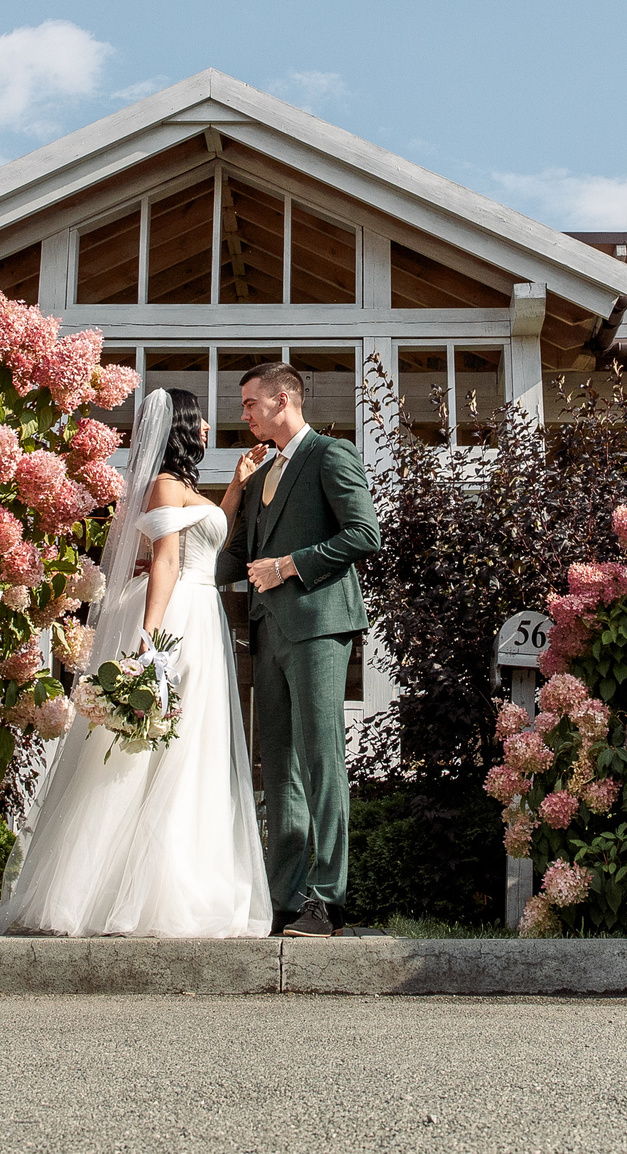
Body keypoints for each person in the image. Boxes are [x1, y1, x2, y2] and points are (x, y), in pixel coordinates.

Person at [0, 390, 270, 937]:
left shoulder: (183, 489)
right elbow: (165, 561)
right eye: (201, 419)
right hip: (180, 612)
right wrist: (150, 639)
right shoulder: (164, 485)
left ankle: (176, 879)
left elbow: (210, 541)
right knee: (157, 747)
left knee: (192, 745)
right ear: (183, 427)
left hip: (203, 612)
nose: (210, 426)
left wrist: (234, 488)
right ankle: (121, 891)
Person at [216, 361, 381, 938]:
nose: (243, 414)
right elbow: (236, 555)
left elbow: (364, 534)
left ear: (283, 399)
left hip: (317, 626)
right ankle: (284, 899)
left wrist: (289, 566)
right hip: (268, 634)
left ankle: (328, 899)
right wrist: (173, 571)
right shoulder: (262, 472)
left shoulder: (330, 455)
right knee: (278, 768)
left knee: (320, 760)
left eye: (249, 403)